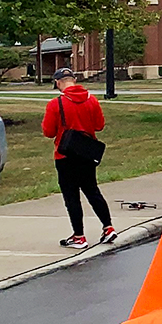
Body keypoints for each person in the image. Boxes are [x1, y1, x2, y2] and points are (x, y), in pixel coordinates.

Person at [42, 67, 115, 249]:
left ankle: (79, 236)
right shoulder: (92, 100)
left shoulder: (55, 104)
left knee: (71, 196)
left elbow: (48, 132)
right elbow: (99, 126)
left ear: (58, 83)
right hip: (87, 154)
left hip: (65, 156)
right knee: (92, 190)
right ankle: (108, 226)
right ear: (74, 80)